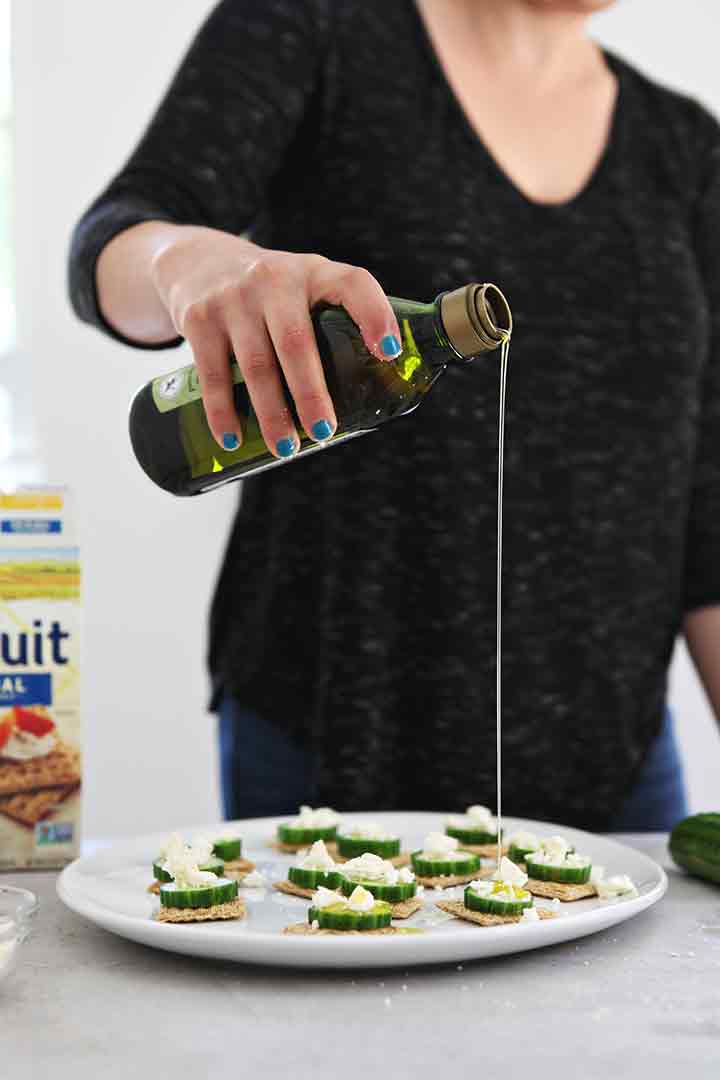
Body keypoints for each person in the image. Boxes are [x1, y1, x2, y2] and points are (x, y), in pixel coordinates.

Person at [68, 0, 720, 831]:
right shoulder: (312, 27)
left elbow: (709, 498)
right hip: (329, 729)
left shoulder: (689, 150)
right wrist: (184, 260)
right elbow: (112, 239)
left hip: (618, 761)